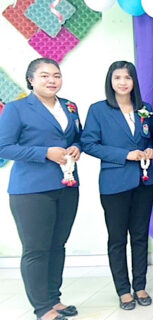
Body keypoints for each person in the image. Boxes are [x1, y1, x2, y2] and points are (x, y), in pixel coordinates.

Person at [0, 58, 82, 320]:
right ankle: (42, 308)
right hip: (31, 190)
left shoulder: (70, 106)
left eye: (56, 75)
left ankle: (54, 299)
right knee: (36, 249)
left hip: (67, 186)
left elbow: (77, 137)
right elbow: (4, 147)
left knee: (58, 245)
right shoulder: (16, 109)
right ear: (31, 80)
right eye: (44, 75)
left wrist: (76, 147)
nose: (51, 80)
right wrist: (44, 152)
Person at [81, 61, 153, 309]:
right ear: (110, 81)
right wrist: (125, 155)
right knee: (117, 238)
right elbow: (89, 144)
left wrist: (150, 150)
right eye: (117, 78)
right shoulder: (98, 110)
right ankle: (123, 290)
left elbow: (152, 139)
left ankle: (140, 285)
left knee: (140, 236)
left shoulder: (145, 109)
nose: (123, 82)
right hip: (114, 183)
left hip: (144, 181)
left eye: (128, 77)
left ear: (134, 81)